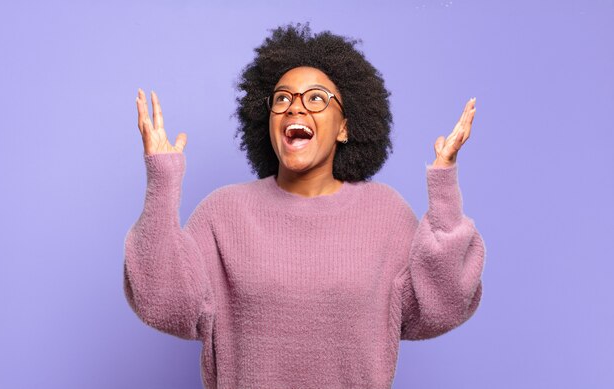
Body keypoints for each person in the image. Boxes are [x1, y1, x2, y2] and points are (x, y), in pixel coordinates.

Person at [123, 23, 485, 389]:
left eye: (316, 98)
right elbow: (162, 304)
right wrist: (162, 182)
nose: (295, 107)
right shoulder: (224, 213)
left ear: (344, 127)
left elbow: (445, 303)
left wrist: (443, 185)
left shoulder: (386, 214)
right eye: (282, 98)